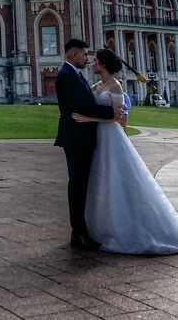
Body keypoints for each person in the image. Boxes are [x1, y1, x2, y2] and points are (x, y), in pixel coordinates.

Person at [71, 48, 178, 255]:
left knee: (117, 178)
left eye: (96, 60)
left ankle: (129, 228)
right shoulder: (97, 85)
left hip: (111, 136)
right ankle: (102, 228)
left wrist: (89, 119)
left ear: (104, 64)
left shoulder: (115, 86)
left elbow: (118, 117)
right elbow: (84, 97)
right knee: (102, 181)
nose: (92, 63)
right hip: (98, 138)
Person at [54, 38, 122, 251]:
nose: (87, 58)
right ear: (73, 55)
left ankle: (80, 231)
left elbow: (88, 101)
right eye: (84, 54)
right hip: (76, 137)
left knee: (81, 184)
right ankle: (78, 232)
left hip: (81, 136)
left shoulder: (74, 74)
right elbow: (81, 105)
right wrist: (110, 113)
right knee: (78, 185)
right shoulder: (67, 75)